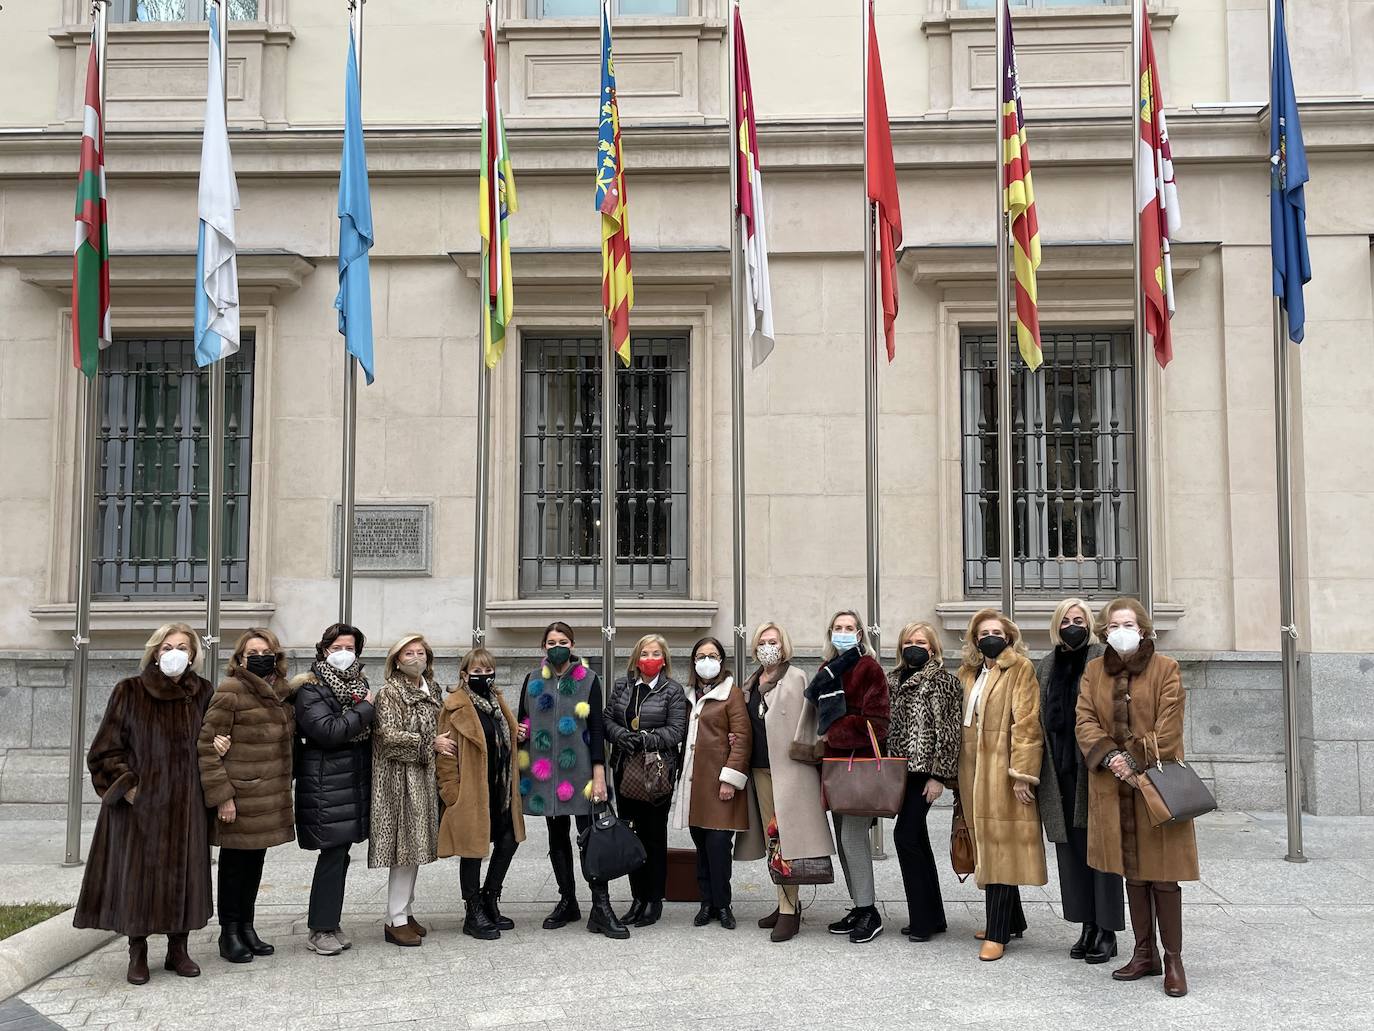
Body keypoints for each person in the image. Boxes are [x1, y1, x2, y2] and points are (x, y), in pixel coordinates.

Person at [74, 623, 214, 985]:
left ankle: (178, 949)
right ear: (155, 652)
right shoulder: (130, 691)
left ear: (194, 655)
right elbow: (104, 750)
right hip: (140, 807)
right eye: (168, 646)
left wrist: (220, 746)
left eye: (183, 646)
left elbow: (210, 740)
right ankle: (137, 950)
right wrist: (130, 787)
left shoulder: (203, 692)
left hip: (187, 806)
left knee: (184, 874)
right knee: (138, 876)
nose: (175, 653)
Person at [1077, 597, 1199, 998]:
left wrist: (1135, 758)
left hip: (1157, 785)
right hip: (1113, 788)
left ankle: (1173, 959)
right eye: (1113, 626)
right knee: (1133, 873)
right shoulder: (1094, 671)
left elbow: (1170, 725)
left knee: (1164, 874)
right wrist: (1111, 757)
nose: (1121, 631)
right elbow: (1085, 720)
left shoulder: (1166, 668)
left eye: (1128, 624)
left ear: (1144, 629)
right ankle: (1143, 952)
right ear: (1104, 633)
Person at [197, 628, 296, 965]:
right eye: (252, 652)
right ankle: (229, 932)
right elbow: (206, 747)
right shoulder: (230, 691)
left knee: (254, 863)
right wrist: (222, 796)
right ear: (240, 659)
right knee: (234, 865)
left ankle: (248, 927)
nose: (259, 656)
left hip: (267, 798)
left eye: (265, 650)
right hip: (238, 798)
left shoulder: (281, 692)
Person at [956, 608, 1047, 962]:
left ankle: (997, 933)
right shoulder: (968, 673)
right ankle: (1013, 920)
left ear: (1008, 636)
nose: (989, 637)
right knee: (988, 842)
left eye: (995, 631)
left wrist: (1022, 773)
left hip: (1001, 770)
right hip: (972, 771)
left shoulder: (1020, 669)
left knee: (999, 848)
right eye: (982, 632)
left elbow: (1027, 722)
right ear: (975, 639)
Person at [1036, 598, 1123, 964]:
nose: (1074, 625)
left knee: (1099, 851)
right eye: (1067, 620)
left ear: (1090, 624)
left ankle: (1107, 930)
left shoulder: (1103, 659)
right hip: (1059, 773)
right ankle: (1086, 924)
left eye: (1080, 619)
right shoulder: (1046, 665)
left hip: (1094, 771)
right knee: (1070, 851)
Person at [516, 622, 618, 936]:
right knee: (556, 836)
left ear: (572, 645)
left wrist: (599, 773)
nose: (556, 646)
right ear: (542, 647)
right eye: (550, 641)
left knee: (590, 837)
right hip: (545, 773)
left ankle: (601, 904)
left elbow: (598, 727)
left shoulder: (589, 679)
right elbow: (523, 718)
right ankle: (567, 900)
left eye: (562, 641)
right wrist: (521, 732)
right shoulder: (532, 680)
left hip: (582, 772)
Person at [735, 621, 834, 942]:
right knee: (771, 841)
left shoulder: (796, 678)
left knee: (786, 840)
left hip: (790, 773)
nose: (768, 646)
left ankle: (789, 911)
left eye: (774, 641)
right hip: (760, 772)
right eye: (763, 641)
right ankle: (785, 902)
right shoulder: (751, 682)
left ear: (784, 645)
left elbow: (809, 724)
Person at [292, 622, 376, 958]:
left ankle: (330, 922)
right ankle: (320, 928)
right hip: (325, 783)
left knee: (340, 855)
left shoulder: (358, 685)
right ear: (324, 650)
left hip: (350, 781)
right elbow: (328, 731)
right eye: (337, 647)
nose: (344, 653)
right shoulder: (311, 689)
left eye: (350, 648)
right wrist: (367, 708)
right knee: (331, 854)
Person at [805, 609, 889, 944]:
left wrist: (833, 733)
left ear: (859, 634)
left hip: (860, 766)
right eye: (838, 628)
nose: (843, 632)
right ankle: (859, 905)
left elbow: (877, 724)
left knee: (854, 839)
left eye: (849, 628)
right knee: (843, 840)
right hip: (837, 767)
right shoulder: (827, 670)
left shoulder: (868, 667)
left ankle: (870, 911)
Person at [369, 634, 452, 947]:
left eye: (421, 652)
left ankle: (405, 910)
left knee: (415, 849)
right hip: (398, 782)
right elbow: (388, 737)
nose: (416, 657)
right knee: (403, 850)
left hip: (424, 780)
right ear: (396, 659)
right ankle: (395, 917)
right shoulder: (390, 692)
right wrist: (428, 744)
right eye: (409, 653)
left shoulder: (432, 691)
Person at [437, 647, 525, 940]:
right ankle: (472, 911)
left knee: (509, 839)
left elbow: (505, 736)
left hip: (500, 789)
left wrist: (516, 734)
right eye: (477, 672)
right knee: (473, 851)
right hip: (472, 790)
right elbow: (446, 756)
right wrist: (452, 793)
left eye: (488, 671)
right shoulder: (454, 707)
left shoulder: (497, 702)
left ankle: (490, 897)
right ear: (464, 675)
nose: (484, 677)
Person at [603, 633, 689, 928]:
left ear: (664, 659)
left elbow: (676, 731)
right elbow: (607, 720)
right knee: (630, 836)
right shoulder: (622, 686)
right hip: (625, 770)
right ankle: (637, 898)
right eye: (644, 653)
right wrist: (620, 736)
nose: (649, 659)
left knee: (653, 837)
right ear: (636, 658)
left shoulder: (673, 691)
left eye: (655, 654)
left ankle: (654, 900)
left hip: (656, 773)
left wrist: (644, 740)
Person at [887, 620, 962, 943]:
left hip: (923, 773)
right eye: (907, 641)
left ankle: (922, 921)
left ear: (932, 647)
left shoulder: (942, 682)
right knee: (916, 839)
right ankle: (933, 916)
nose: (913, 646)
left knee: (905, 837)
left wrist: (939, 777)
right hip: (898, 771)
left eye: (920, 641)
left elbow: (949, 731)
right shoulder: (892, 679)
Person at [671, 637, 750, 929]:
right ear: (693, 662)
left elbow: (741, 739)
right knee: (701, 846)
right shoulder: (687, 695)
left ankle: (723, 904)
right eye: (701, 655)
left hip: (720, 784)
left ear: (721, 661)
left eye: (712, 655)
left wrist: (730, 778)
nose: (707, 660)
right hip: (694, 783)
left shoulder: (733, 695)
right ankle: (706, 902)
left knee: (718, 846)